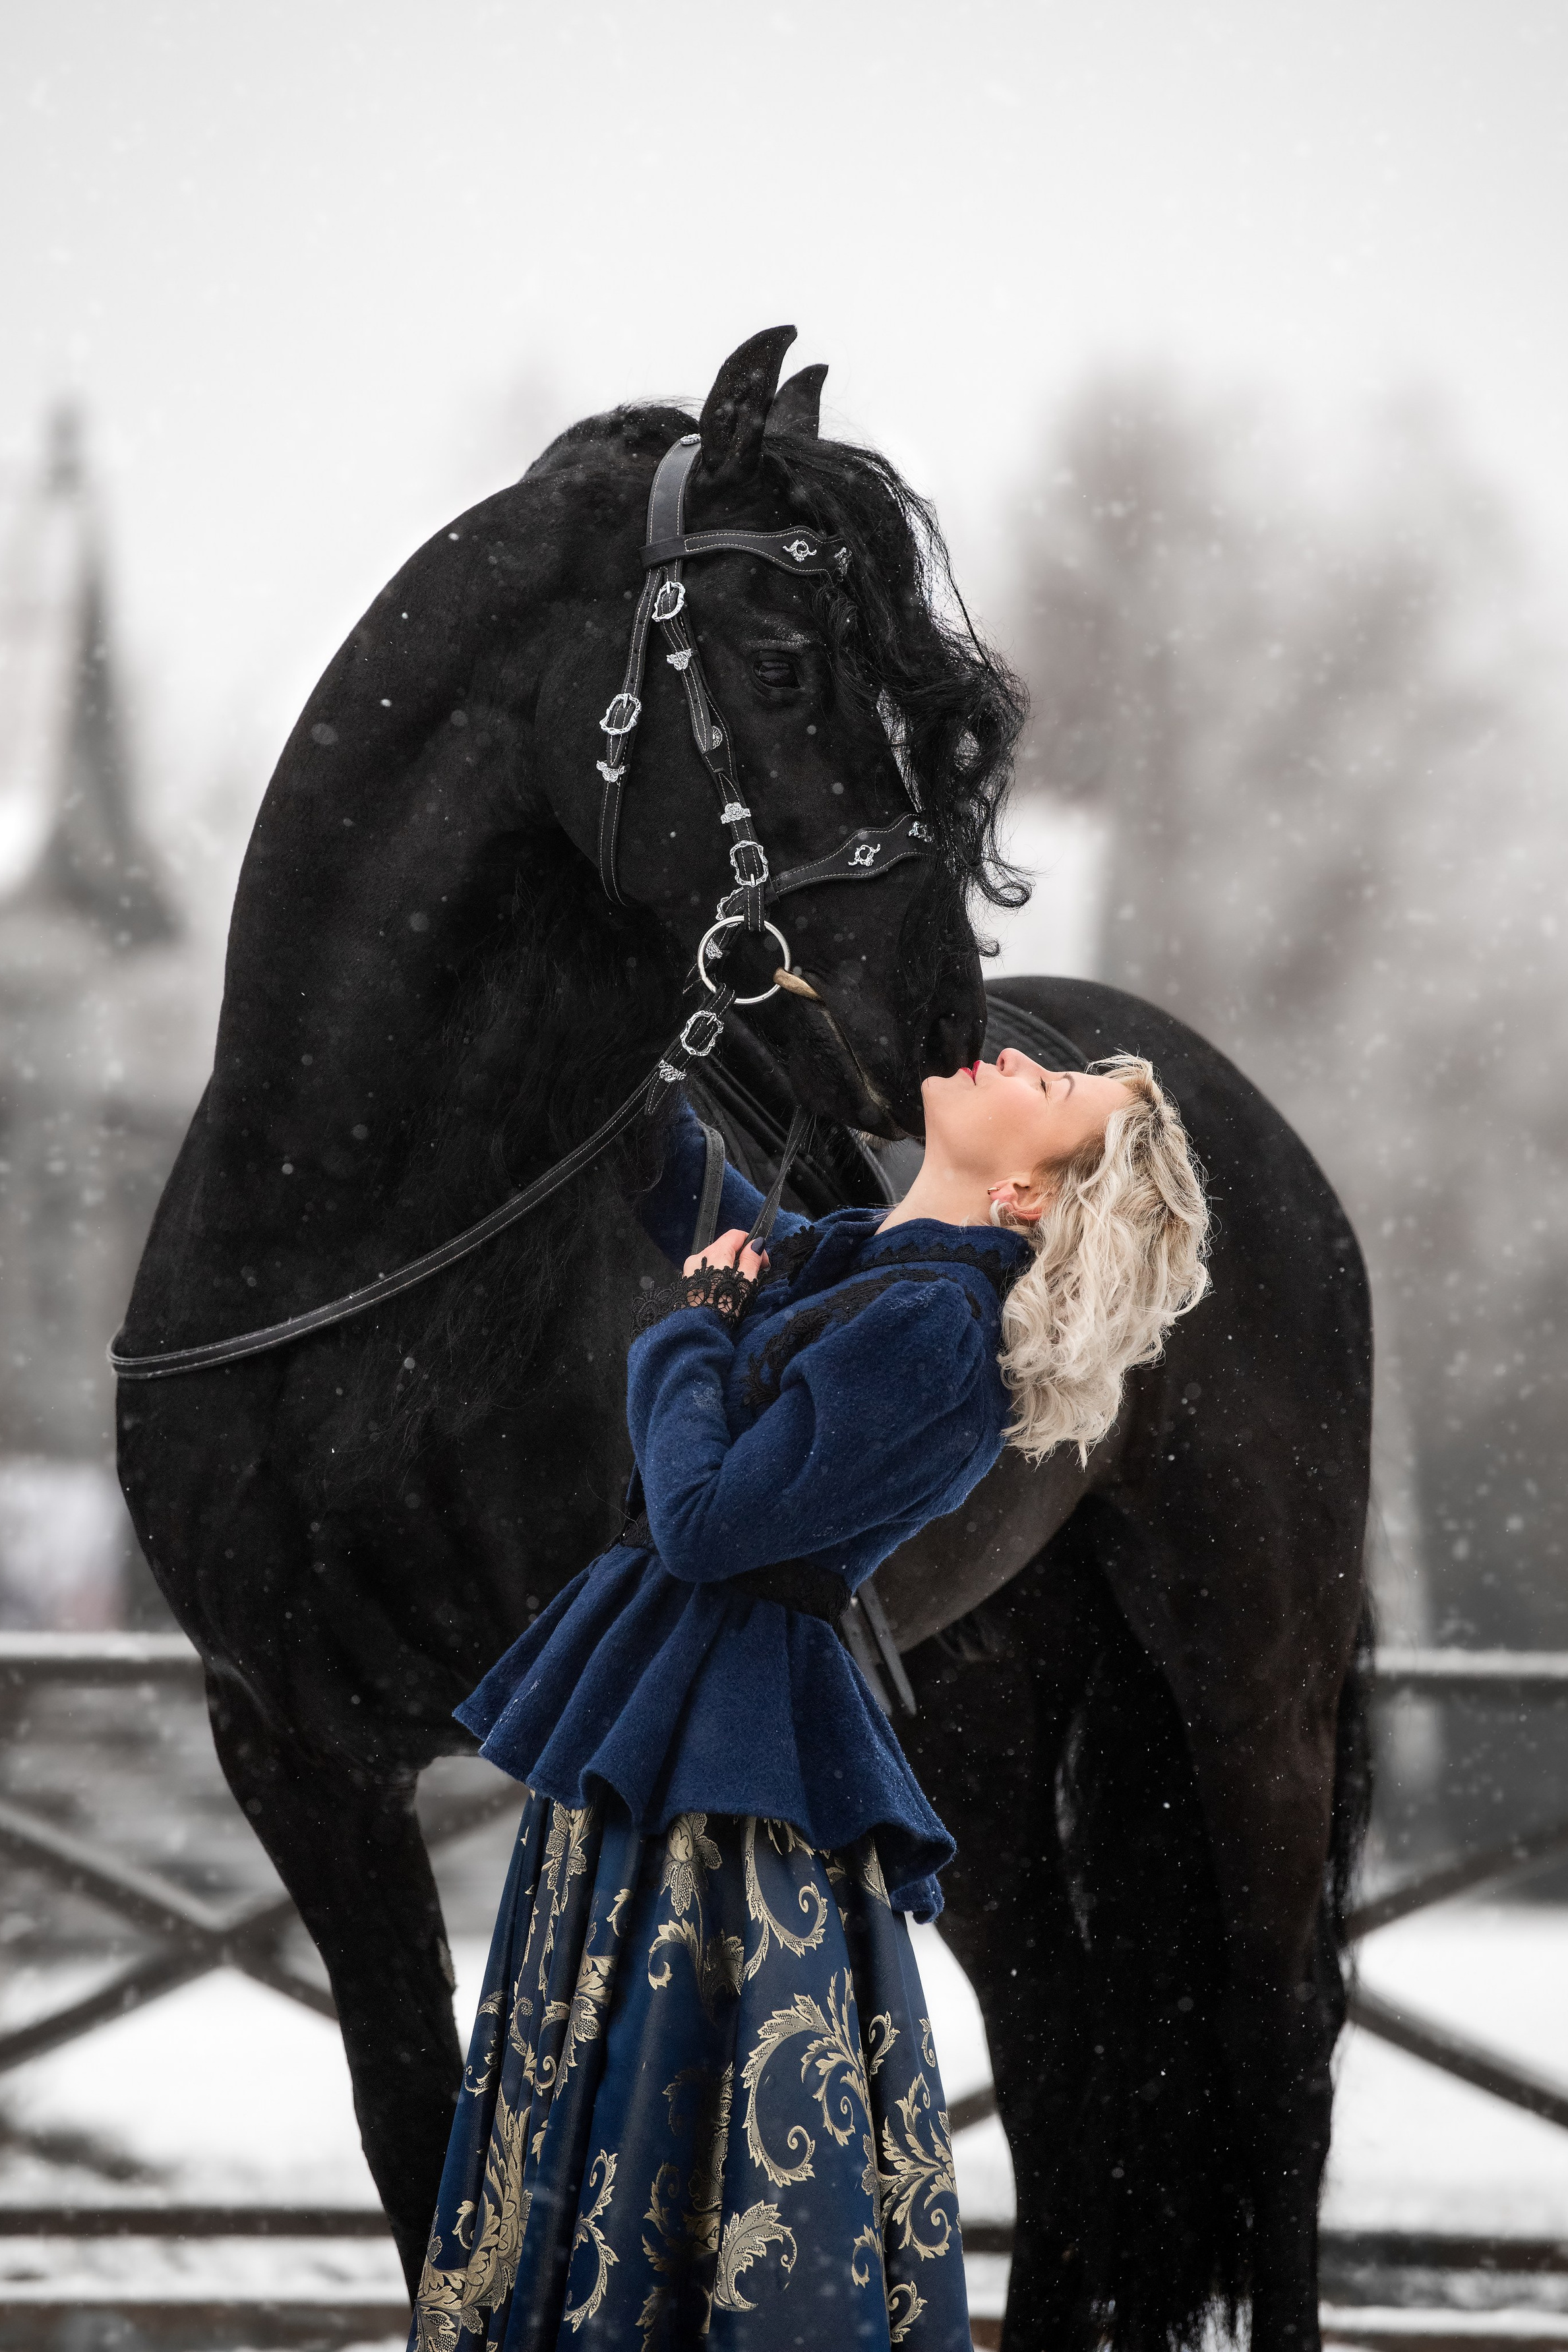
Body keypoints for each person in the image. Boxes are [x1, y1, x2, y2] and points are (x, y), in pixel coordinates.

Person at [409, 1049, 1209, 2352]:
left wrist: (687, 1337)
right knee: (611, 2075)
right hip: (682, 1708)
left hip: (723, 1746)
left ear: (1022, 1188)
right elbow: (703, 1198)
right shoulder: (873, 1263)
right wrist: (643, 1017)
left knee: (662, 2093)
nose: (1018, 1055)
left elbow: (711, 1526)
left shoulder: (933, 1337)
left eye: (1055, 1087)